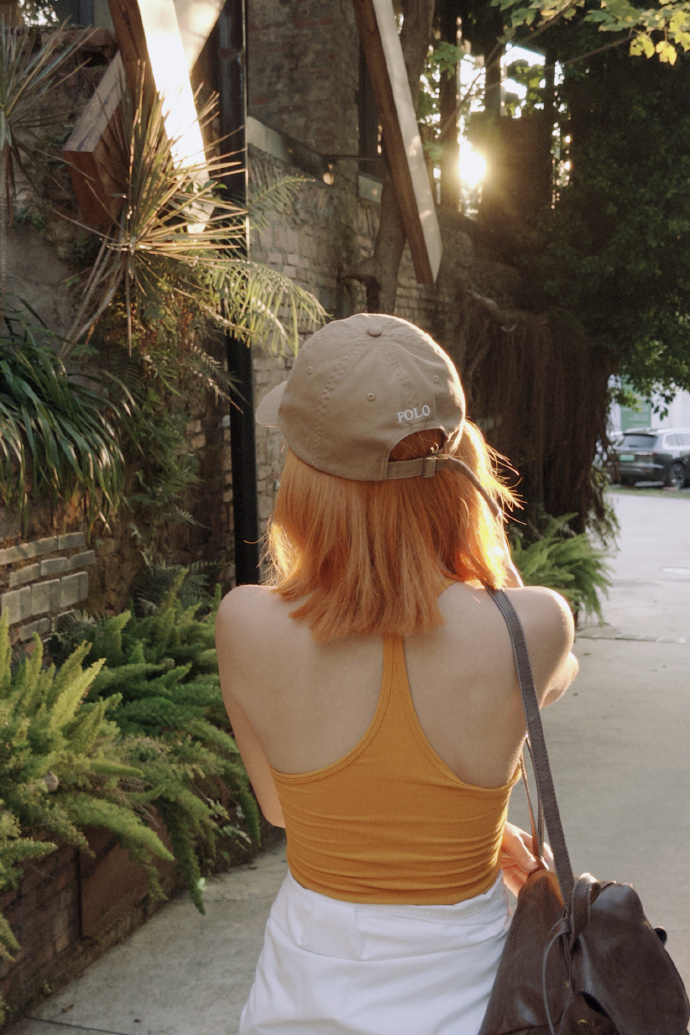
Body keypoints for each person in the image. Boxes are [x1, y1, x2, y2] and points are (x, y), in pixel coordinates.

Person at [215, 313, 578, 1035]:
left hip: (303, 996)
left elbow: (283, 810)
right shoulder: (536, 624)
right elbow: (554, 675)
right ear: (461, 464)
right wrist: (487, 553)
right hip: (476, 1000)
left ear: (307, 479)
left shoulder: (245, 622)